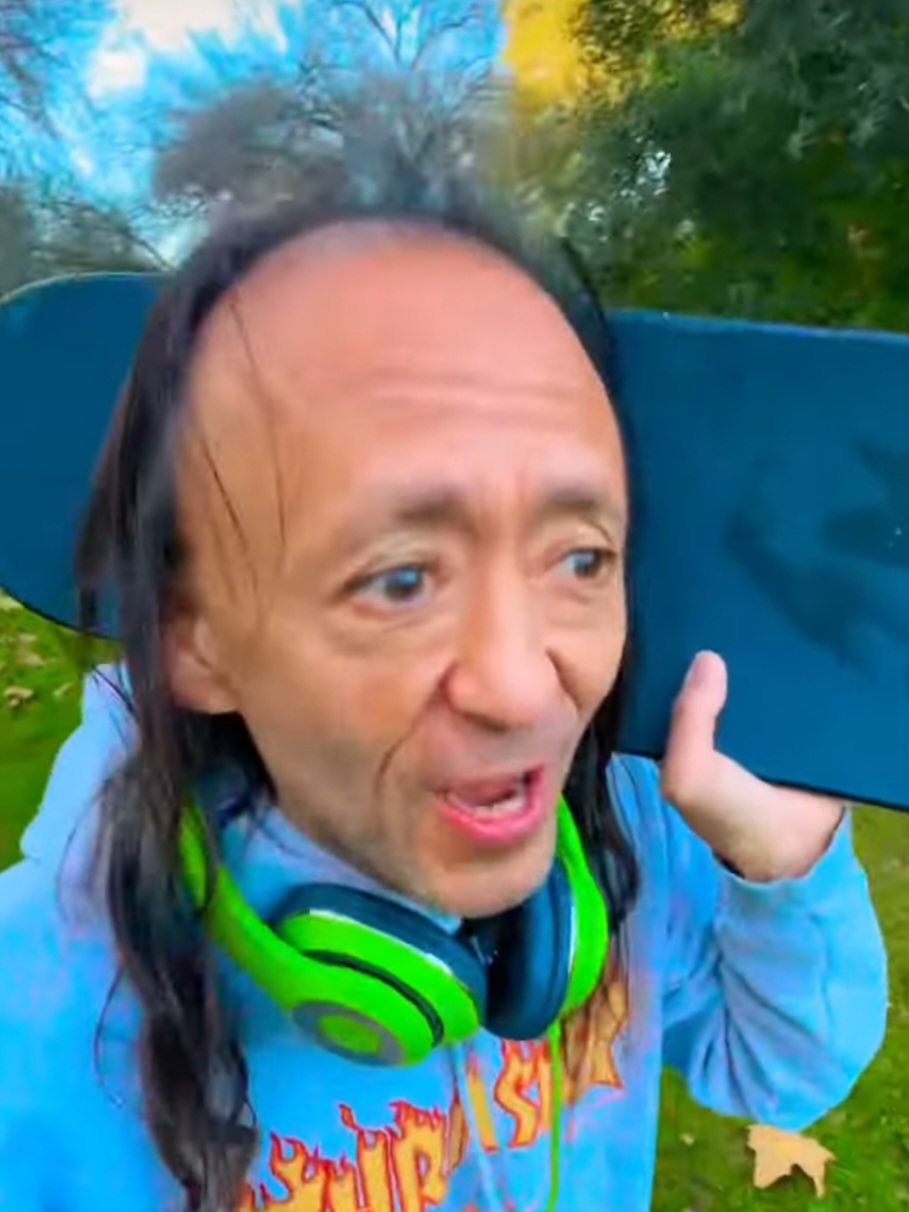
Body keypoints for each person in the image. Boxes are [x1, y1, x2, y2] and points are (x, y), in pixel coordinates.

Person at [0, 163, 888, 1212]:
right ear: (198, 641)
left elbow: (778, 1072)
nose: (522, 691)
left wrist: (781, 871)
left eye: (580, 559)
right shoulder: (55, 1015)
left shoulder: (630, 821)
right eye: (401, 580)